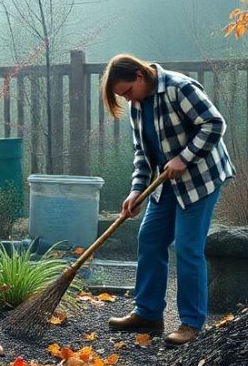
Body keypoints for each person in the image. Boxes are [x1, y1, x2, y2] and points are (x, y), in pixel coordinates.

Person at [99, 54, 234, 346]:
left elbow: (213, 124)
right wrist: (136, 190)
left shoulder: (178, 87)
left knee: (187, 248)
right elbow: (142, 153)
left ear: (139, 76)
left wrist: (184, 158)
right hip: (167, 183)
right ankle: (148, 313)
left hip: (200, 180)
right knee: (150, 238)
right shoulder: (138, 106)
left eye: (126, 92)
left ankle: (191, 323)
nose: (126, 99)